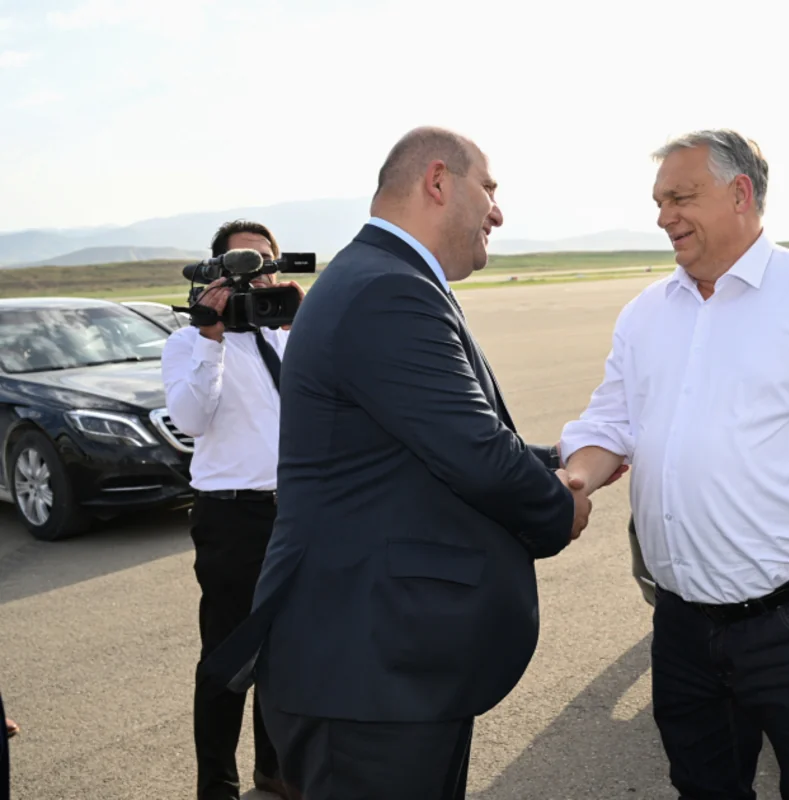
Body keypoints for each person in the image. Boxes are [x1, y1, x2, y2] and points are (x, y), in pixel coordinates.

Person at [199, 126, 598, 800]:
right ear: (438, 182)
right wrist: (561, 504)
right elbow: (474, 453)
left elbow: (420, 445)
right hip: (367, 678)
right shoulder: (386, 289)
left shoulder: (380, 277)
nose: (498, 212)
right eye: (489, 188)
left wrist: (562, 458)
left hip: (382, 670)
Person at [559, 129, 789, 800]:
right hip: (682, 625)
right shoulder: (646, 314)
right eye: (659, 202)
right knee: (704, 787)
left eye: (681, 197)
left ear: (739, 194)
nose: (664, 217)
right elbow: (610, 423)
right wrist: (576, 480)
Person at [161, 219, 301, 800]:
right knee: (226, 655)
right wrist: (211, 338)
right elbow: (191, 420)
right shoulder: (188, 343)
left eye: (264, 262)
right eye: (242, 263)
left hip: (293, 515)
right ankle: (216, 784)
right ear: (216, 271)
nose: (255, 274)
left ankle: (275, 767)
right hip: (232, 518)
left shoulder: (287, 337)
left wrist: (305, 321)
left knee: (286, 651)